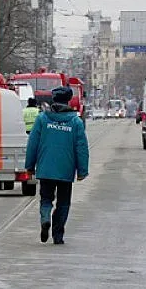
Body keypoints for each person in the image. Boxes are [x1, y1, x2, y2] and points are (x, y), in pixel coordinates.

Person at [24, 86, 89, 245]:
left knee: (46, 199)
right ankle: (58, 234)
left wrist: (29, 166)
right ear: (68, 101)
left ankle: (45, 218)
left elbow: (33, 144)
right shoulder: (75, 122)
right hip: (66, 169)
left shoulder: (42, 119)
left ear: (53, 100)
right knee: (63, 203)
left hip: (46, 168)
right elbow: (81, 148)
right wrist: (82, 170)